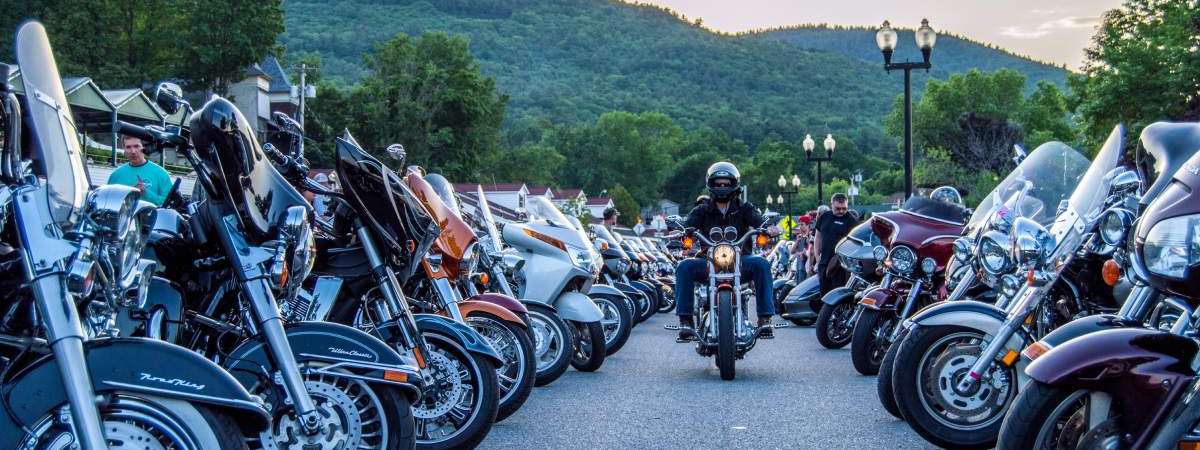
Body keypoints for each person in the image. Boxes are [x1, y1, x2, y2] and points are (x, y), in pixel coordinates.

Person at [675, 162, 781, 341]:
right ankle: (686, 321)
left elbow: (760, 220)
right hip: (709, 263)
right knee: (684, 266)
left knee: (762, 264)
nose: (722, 187)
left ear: (734, 185)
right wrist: (683, 232)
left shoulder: (744, 208)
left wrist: (769, 228)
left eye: (726, 184)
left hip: (741, 262)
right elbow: (688, 224)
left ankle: (765, 318)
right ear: (711, 184)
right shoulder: (702, 210)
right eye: (718, 184)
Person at [107, 134, 172, 206]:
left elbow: (168, 205)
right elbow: (108, 202)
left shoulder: (161, 174)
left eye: (136, 146)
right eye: (128, 147)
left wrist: (145, 192)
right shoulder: (115, 175)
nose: (133, 151)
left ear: (144, 147)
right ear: (124, 149)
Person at [814, 193, 858, 297]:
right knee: (824, 292)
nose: (841, 211)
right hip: (824, 261)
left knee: (837, 294)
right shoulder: (824, 217)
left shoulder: (851, 220)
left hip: (840, 264)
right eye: (838, 208)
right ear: (831, 205)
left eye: (844, 208)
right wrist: (816, 256)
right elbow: (817, 237)